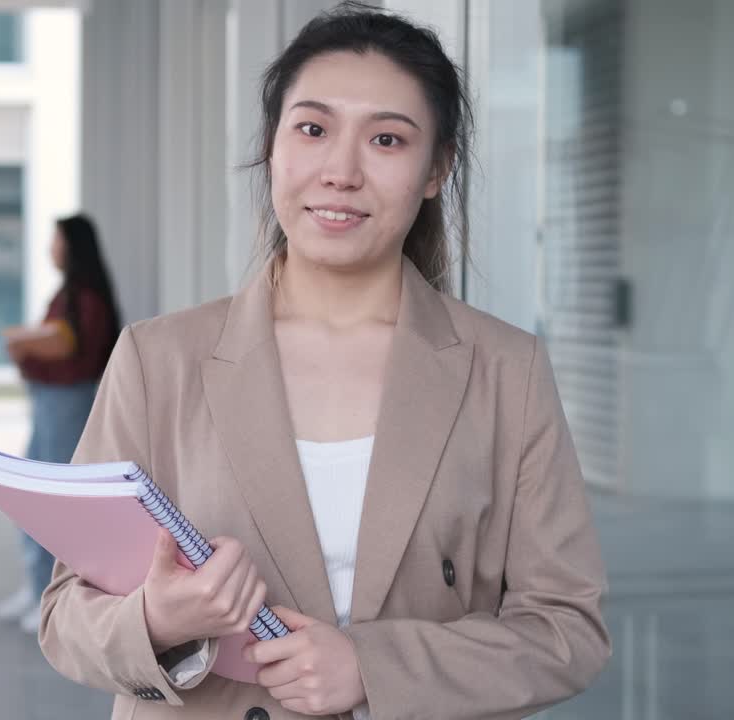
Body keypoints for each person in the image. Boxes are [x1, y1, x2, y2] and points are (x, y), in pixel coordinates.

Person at [38, 4, 611, 719]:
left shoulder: (506, 370)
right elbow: (66, 615)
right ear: (273, 147)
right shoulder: (159, 360)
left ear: (437, 170)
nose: (340, 171)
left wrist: (376, 668)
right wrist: (159, 619)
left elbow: (567, 628)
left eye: (387, 140)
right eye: (312, 129)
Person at [0, 213, 122, 635]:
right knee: (34, 495)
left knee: (53, 499)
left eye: (56, 239)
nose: (51, 247)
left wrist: (25, 346)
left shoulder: (85, 298)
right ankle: (34, 588)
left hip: (66, 403)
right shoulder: (69, 294)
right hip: (51, 402)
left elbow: (71, 349)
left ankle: (50, 598)